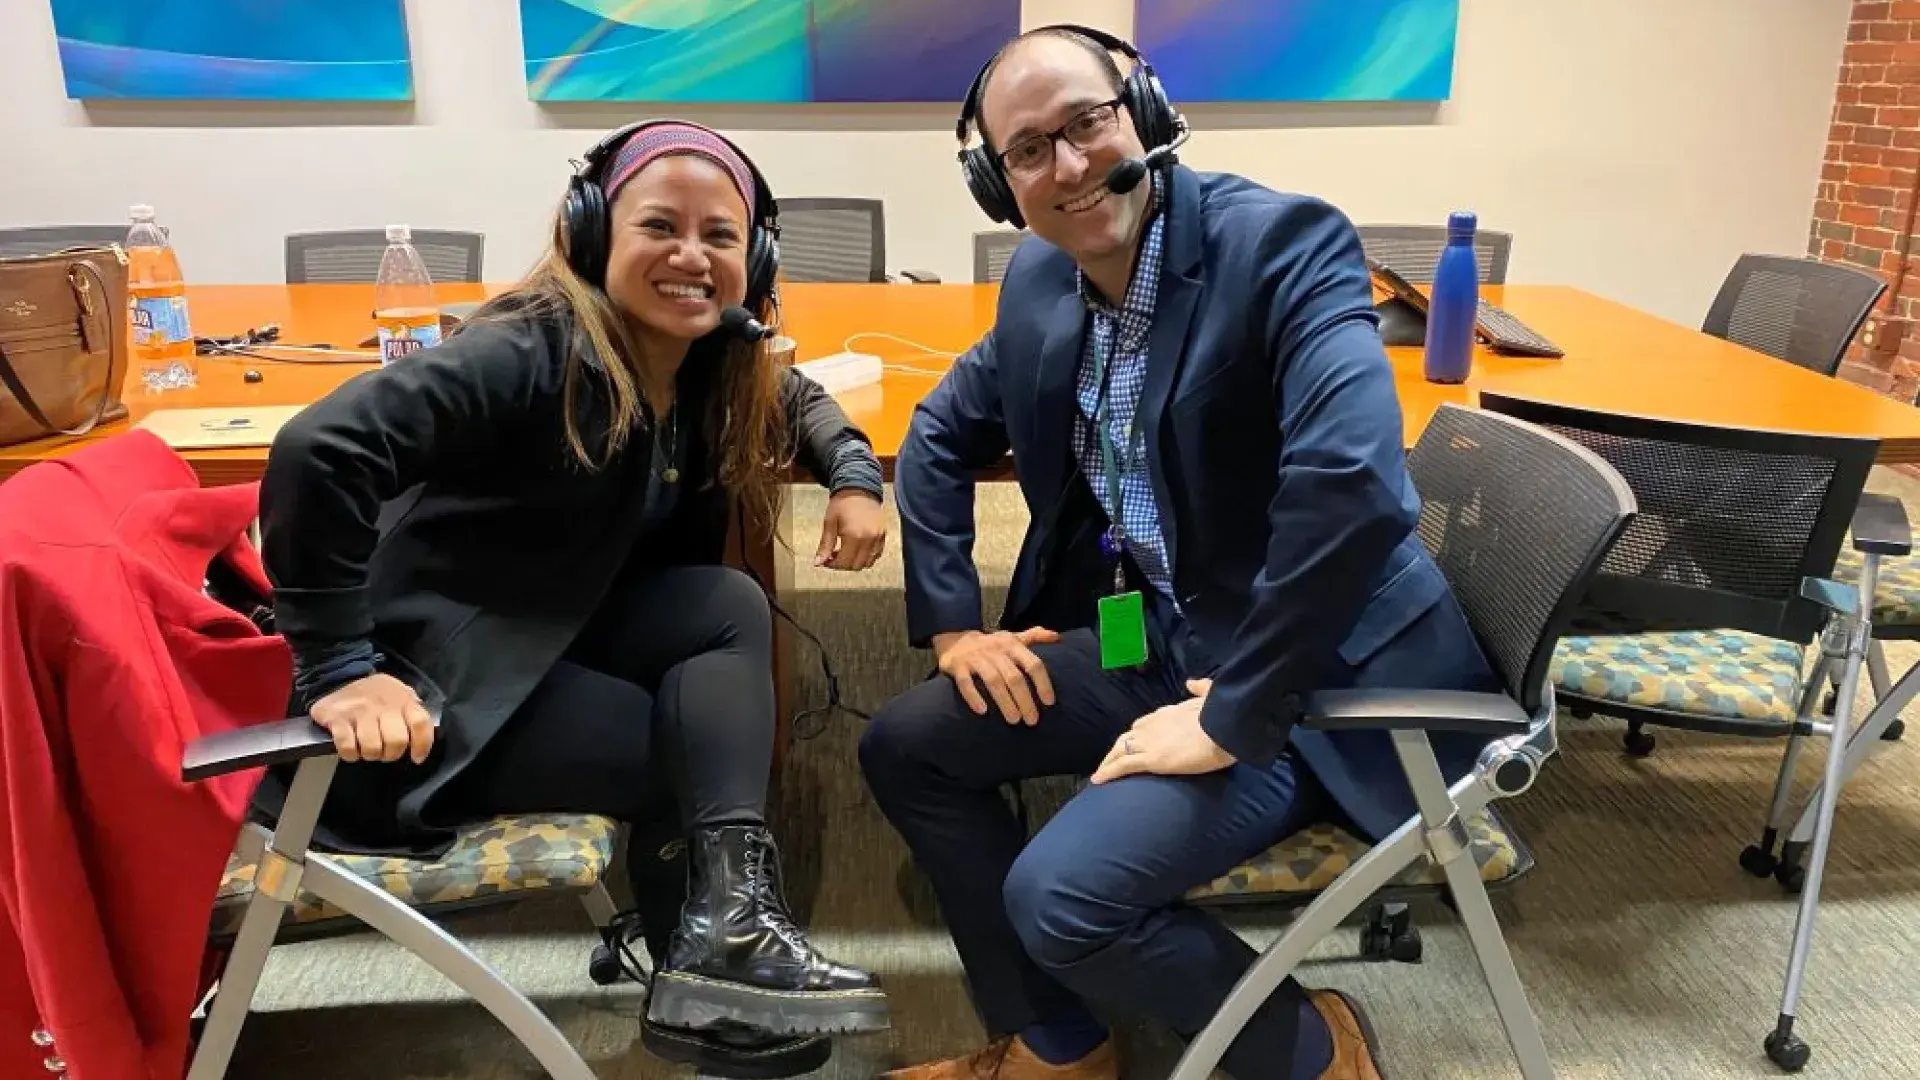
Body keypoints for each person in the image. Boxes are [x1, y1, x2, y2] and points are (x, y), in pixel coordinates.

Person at [858, 26, 1500, 1080]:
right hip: (1161, 625)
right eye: (1029, 150)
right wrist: (954, 623)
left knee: (1060, 897)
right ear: (997, 181)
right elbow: (936, 433)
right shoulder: (1044, 280)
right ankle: (1064, 1045)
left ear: (1144, 114)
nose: (1067, 165)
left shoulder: (1284, 246)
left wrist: (1233, 708)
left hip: (1316, 678)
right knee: (908, 743)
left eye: (1088, 122)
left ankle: (1306, 1049)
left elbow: (1350, 485)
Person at [255, 121, 892, 1053]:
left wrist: (854, 476)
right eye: (659, 227)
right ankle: (712, 972)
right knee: (701, 743)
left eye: (720, 235)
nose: (691, 255)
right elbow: (321, 449)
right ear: (594, 233)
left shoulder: (700, 349)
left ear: (752, 257)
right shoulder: (532, 348)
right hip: (432, 689)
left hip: (534, 634)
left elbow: (796, 395)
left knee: (725, 607)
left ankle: (716, 949)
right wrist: (340, 667)